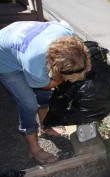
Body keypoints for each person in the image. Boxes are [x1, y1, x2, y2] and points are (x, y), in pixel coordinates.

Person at [0, 21, 91, 164]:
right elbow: (45, 85)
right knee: (29, 104)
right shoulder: (34, 62)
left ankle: (45, 126)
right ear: (57, 68)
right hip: (4, 59)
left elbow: (64, 26)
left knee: (43, 96)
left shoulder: (67, 33)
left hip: (18, 35)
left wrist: (85, 65)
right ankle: (34, 150)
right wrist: (62, 79)